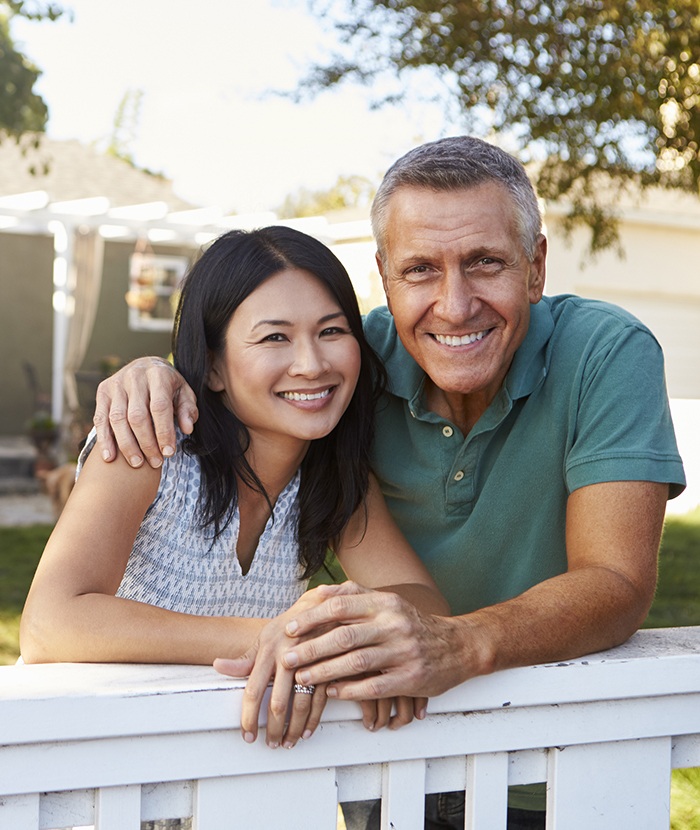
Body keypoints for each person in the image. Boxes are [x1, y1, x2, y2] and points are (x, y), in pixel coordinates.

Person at [88, 137, 686, 828]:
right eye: (421, 269)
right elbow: (250, 363)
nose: (455, 305)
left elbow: (615, 582)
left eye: (485, 262)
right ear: (385, 276)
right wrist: (156, 372)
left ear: (536, 267)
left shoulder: (605, 353)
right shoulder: (347, 366)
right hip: (392, 752)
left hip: (558, 763)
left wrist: (456, 645)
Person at [20, 225, 448, 752]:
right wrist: (283, 639)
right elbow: (49, 622)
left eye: (332, 331)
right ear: (215, 366)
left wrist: (325, 626)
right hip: (88, 759)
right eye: (274, 337)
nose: (312, 364)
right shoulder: (151, 447)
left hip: (225, 769)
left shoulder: (335, 479)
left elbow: (428, 607)